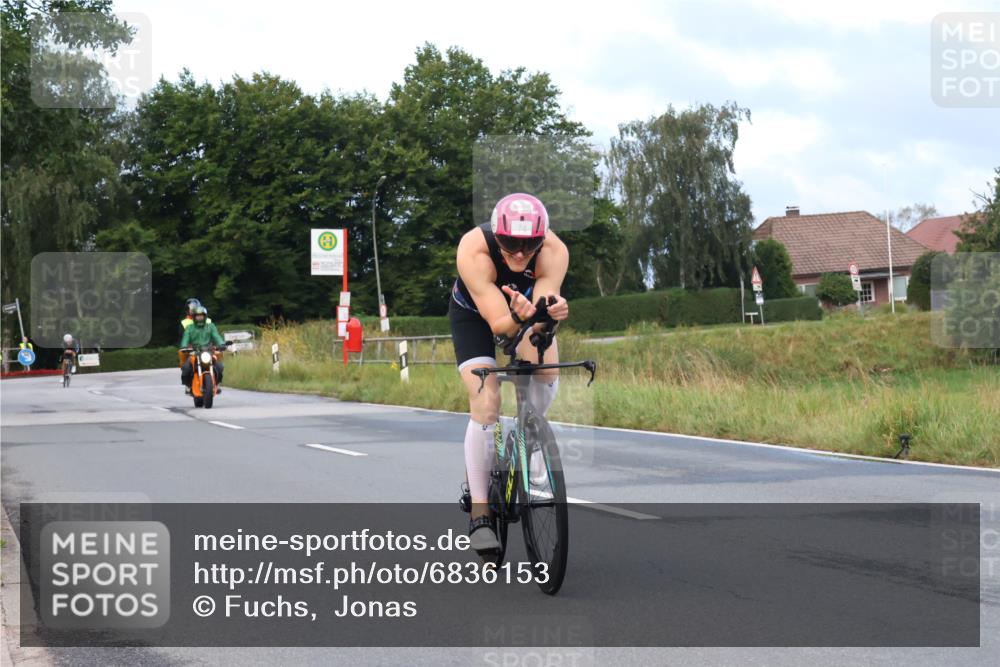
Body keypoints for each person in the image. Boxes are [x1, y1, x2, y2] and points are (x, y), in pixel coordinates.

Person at [448, 193, 570, 553]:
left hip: (525, 311)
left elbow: (543, 310)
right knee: (487, 399)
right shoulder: (474, 249)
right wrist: (518, 317)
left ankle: (528, 437)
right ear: (496, 235)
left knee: (545, 370)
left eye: (529, 244)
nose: (519, 253)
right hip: (477, 317)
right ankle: (480, 513)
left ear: (541, 238)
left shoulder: (554, 251)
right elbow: (500, 325)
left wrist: (551, 314)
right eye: (510, 244)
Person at [180, 306, 225, 392]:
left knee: (219, 366)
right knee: (186, 368)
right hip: (195, 352)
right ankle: (188, 386)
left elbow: (216, 336)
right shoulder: (190, 328)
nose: (200, 317)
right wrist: (184, 346)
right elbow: (185, 339)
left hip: (209, 351)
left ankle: (217, 383)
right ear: (194, 317)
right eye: (197, 316)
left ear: (205, 316)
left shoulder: (211, 326)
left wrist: (221, 344)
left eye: (201, 315)